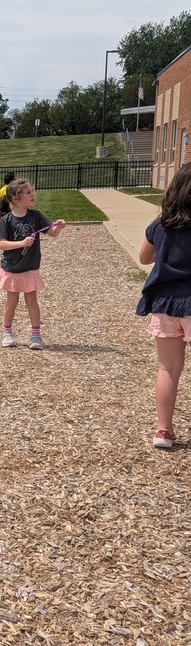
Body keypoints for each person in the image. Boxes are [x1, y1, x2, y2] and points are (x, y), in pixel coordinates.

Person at [136, 162, 191, 449]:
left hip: (165, 302)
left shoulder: (159, 225)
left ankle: (164, 431)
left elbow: (145, 258)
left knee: (169, 368)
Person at [0, 178, 65, 349]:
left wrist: (58, 227)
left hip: (30, 268)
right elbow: (1, 244)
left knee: (32, 301)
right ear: (15, 198)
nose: (32, 194)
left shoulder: (36, 215)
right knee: (11, 302)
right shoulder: (6, 220)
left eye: (31, 191)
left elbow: (52, 233)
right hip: (11, 268)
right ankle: (7, 332)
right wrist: (21, 243)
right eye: (28, 192)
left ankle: (35, 336)